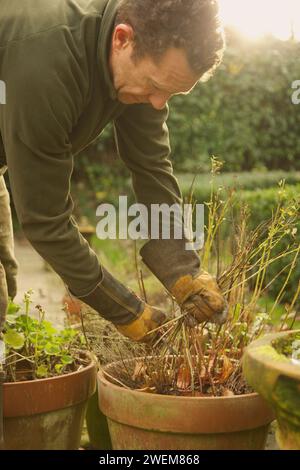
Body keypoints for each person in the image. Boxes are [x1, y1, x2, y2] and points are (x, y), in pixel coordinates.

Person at [0, 0, 227, 341]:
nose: (157, 104)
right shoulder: (46, 65)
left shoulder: (140, 58)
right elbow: (46, 222)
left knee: (5, 288)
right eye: (155, 85)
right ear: (122, 39)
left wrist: (182, 267)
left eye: (170, 93)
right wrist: (126, 311)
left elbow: (151, 165)